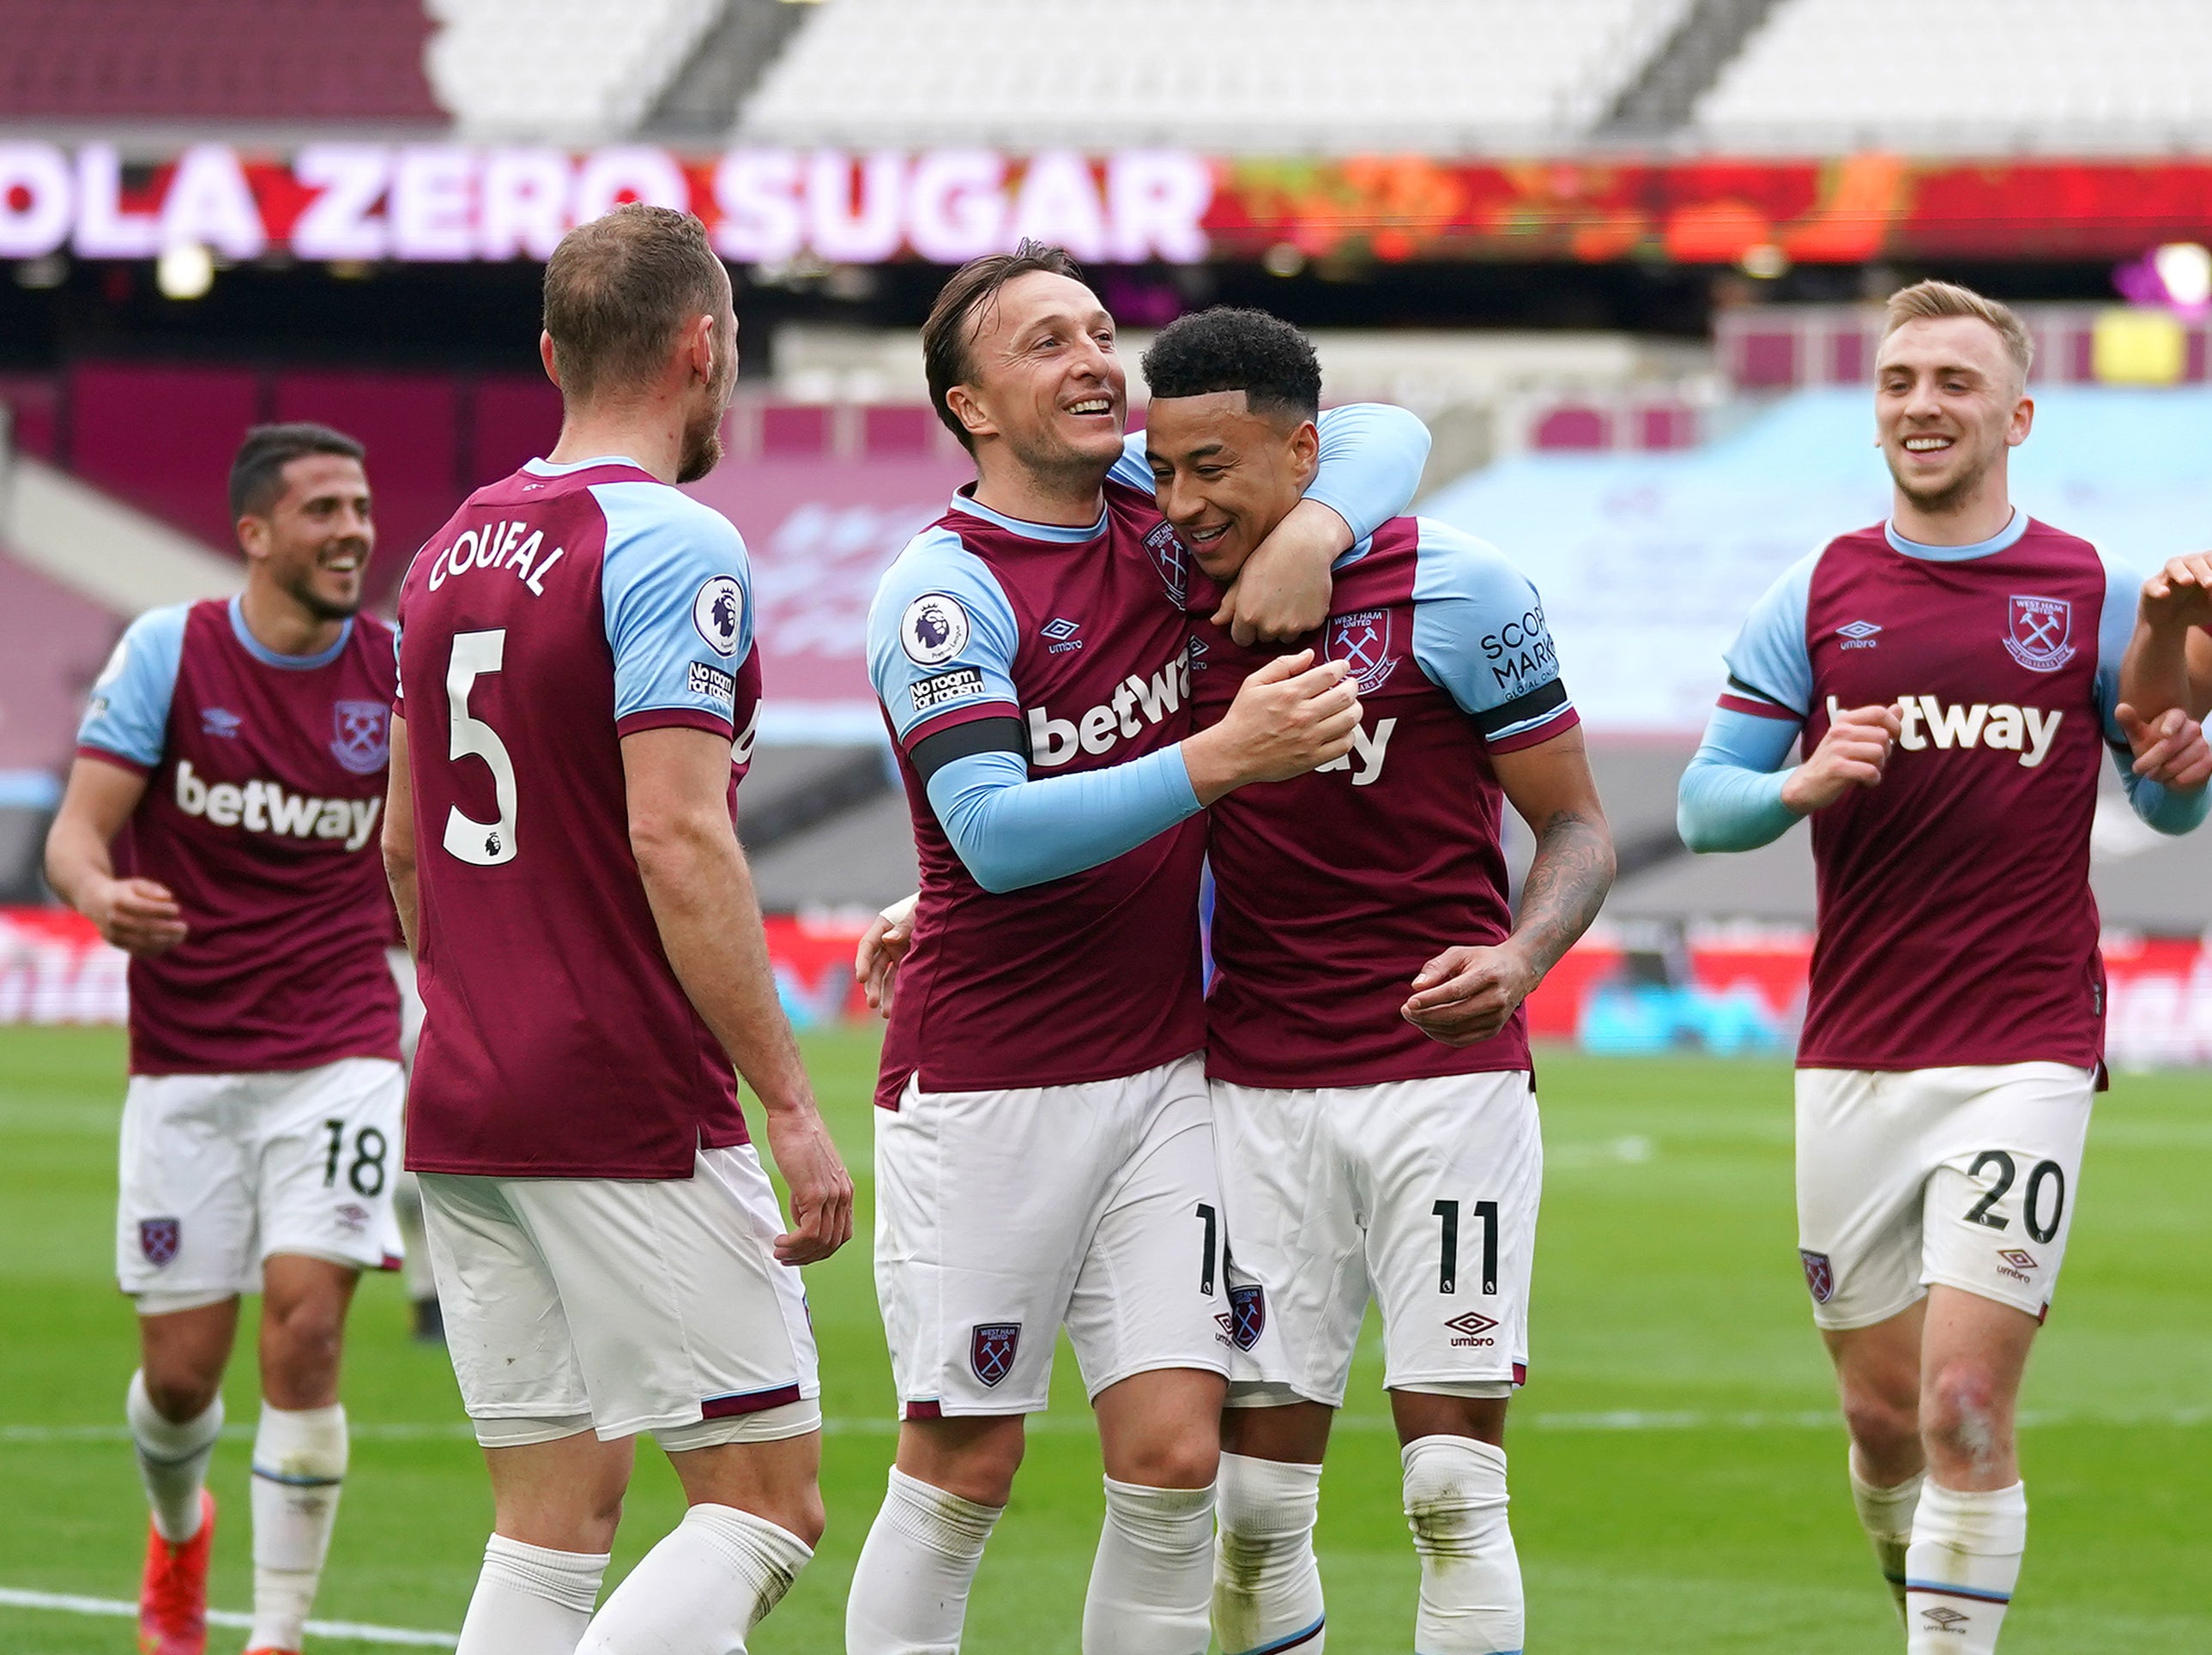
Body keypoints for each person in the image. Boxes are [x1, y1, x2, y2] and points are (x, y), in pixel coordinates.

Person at [848, 245, 1429, 1655]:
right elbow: (988, 832)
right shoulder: (943, 591)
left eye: (1100, 328)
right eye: (1047, 342)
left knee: (1174, 1461)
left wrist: (1312, 530)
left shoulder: (1147, 512)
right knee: (962, 1472)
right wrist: (1214, 758)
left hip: (1164, 1073)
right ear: (970, 406)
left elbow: (1383, 430)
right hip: (989, 1086)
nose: (1095, 358)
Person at [1677, 279, 2209, 1655]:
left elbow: (2158, 802)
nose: (1923, 403)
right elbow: (1699, 807)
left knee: (1965, 1403)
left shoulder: (2085, 589)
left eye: (1955, 382)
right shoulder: (1815, 593)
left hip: (2025, 1045)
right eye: (1900, 380)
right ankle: (1917, 1592)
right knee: (1879, 1417)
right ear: (1873, 413)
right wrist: (1798, 782)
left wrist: (2182, 774)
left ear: (2014, 414)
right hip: (1854, 1047)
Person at [383, 202, 852, 1655]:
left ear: (548, 354)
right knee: (765, 1500)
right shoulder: (670, 544)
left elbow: (402, 846)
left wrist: (485, 1004)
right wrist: (787, 1097)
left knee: (550, 1515)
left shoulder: (447, 547)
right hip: (621, 1092)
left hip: (463, 1093)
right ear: (702, 349)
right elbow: (677, 830)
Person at [1138, 306, 1614, 1655]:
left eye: (1212, 470)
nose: (1179, 502)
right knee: (1252, 1504)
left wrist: (1522, 956)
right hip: (1251, 1088)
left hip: (1443, 1086)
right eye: (1162, 468)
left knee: (1453, 1487)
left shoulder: (1462, 590)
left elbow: (1575, 827)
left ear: (1303, 454)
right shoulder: (1158, 580)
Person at [44, 423, 402, 1655]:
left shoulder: (395, 672)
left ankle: (278, 1634)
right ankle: (177, 1530)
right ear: (255, 534)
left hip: (344, 1044)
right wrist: (99, 897)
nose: (353, 529)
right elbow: (76, 836)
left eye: (360, 507)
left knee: (306, 1325)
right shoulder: (170, 652)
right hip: (187, 1062)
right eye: (323, 511)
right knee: (185, 1378)